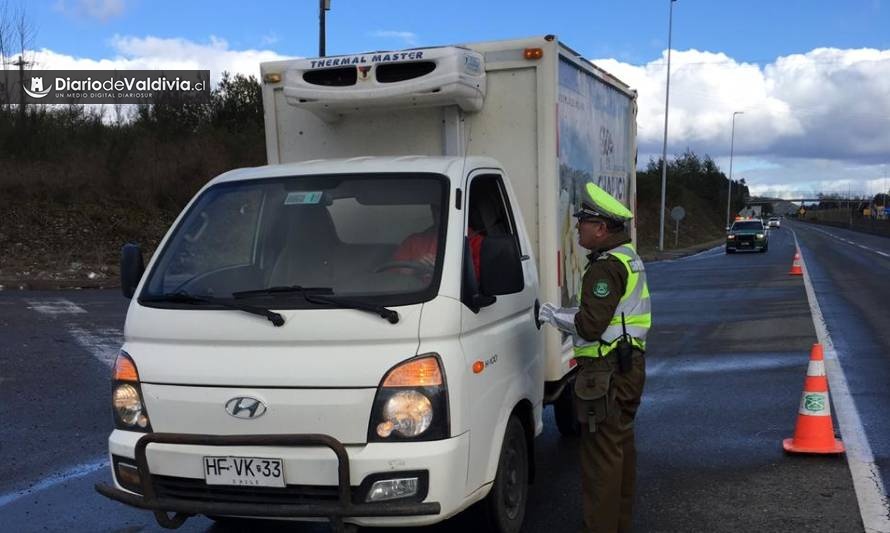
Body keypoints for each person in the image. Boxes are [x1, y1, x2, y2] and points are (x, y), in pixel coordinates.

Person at [538, 182, 651, 533]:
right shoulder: (627, 257)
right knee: (619, 451)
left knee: (600, 460)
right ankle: (618, 524)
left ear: (601, 228)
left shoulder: (604, 268)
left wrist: (549, 314)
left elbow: (589, 326)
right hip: (628, 365)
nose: (576, 228)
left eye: (582, 222)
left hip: (606, 370)